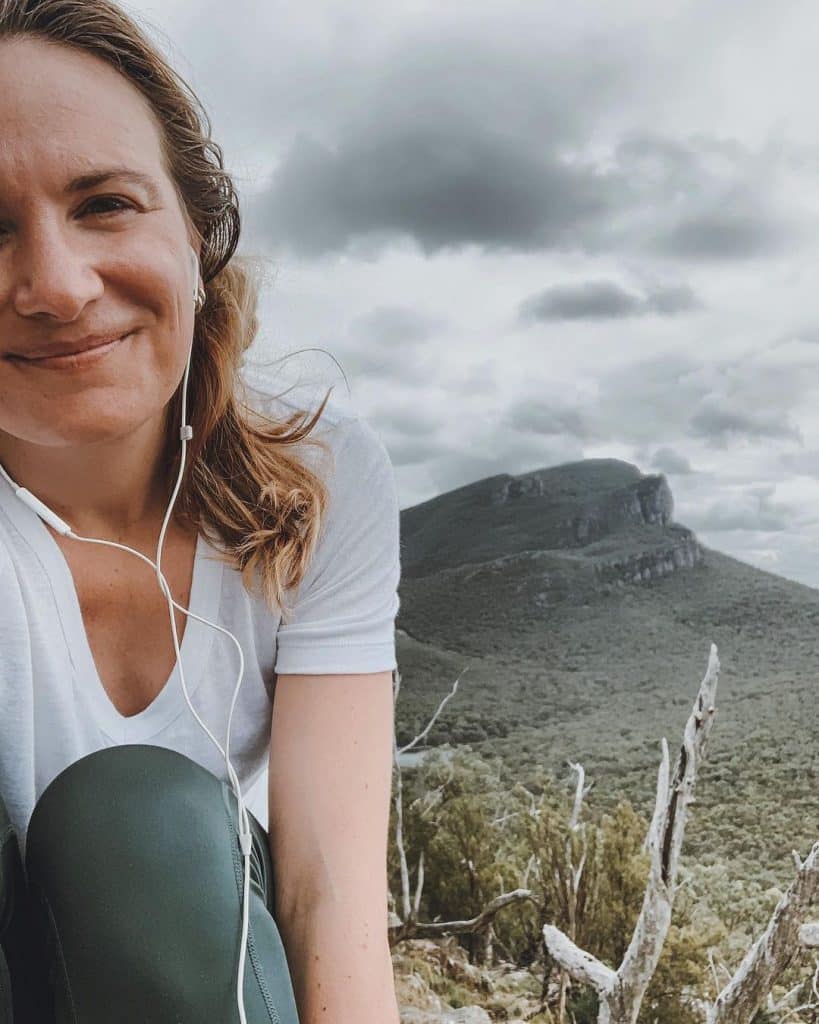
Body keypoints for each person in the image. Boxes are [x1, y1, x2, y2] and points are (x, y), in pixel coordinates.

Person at [0, 1, 402, 1022]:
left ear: (197, 231)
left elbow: (327, 893)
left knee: (139, 836)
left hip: (189, 962)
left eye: (103, 203)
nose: (54, 283)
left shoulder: (318, 483)